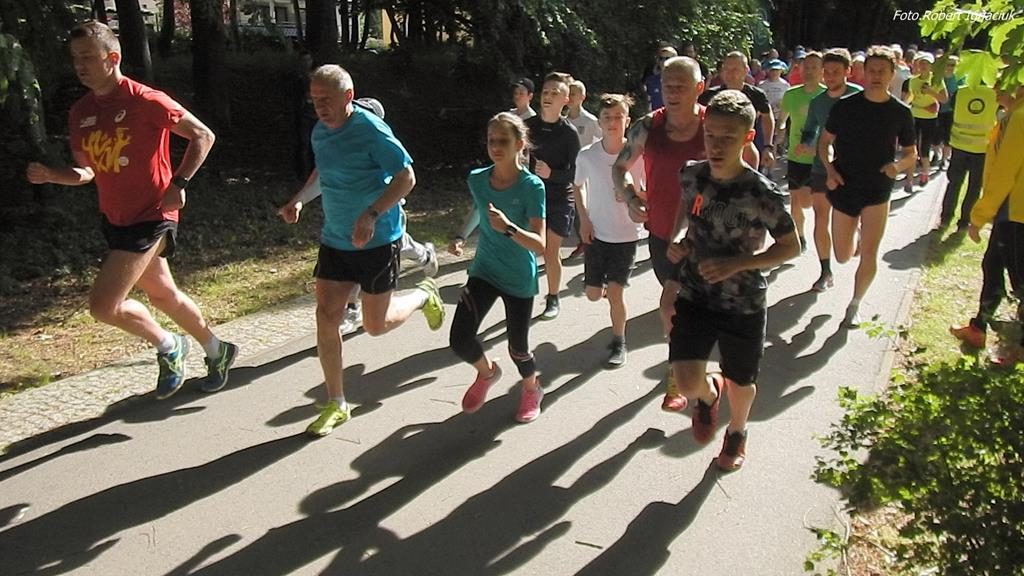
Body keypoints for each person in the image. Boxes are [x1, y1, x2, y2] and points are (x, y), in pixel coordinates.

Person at [25, 21, 238, 399]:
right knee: (163, 295)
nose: (80, 65)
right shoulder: (81, 112)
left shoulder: (145, 100)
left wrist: (179, 184)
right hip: (117, 218)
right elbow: (87, 172)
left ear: (113, 58)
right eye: (75, 58)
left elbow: (203, 135)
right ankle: (217, 349)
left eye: (88, 57)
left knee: (103, 305)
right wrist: (51, 175)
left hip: (153, 214)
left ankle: (169, 345)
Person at [277, 64, 445, 437]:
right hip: (336, 239)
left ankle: (422, 294)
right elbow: (324, 173)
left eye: (327, 99)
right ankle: (337, 402)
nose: (320, 107)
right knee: (326, 316)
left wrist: (371, 214)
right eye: (315, 100)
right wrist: (299, 199)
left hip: (378, 239)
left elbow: (406, 177)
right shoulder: (320, 131)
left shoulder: (370, 130)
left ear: (348, 96)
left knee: (374, 326)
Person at [665, 89, 800, 472]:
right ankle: (709, 395)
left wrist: (739, 263)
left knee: (741, 380)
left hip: (742, 302)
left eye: (728, 137)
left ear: (748, 137)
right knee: (685, 381)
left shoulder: (762, 193)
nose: (716, 145)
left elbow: (791, 247)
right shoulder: (692, 174)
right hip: (695, 292)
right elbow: (686, 208)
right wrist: (679, 237)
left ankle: (737, 432)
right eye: (711, 135)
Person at [612, 55, 707, 412]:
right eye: (668, 86)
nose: (673, 92)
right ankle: (692, 367)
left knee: (673, 306)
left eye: (682, 86)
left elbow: (747, 160)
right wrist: (630, 197)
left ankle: (678, 375)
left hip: (705, 236)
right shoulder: (647, 126)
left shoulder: (714, 124)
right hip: (661, 233)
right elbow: (620, 167)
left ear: (700, 88)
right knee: (681, 308)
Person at [447, 112, 547, 422]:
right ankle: (487, 372)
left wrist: (509, 228)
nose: (496, 147)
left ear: (520, 144)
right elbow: (480, 209)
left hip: (518, 277)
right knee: (460, 339)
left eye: (503, 140)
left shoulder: (532, 187)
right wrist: (461, 235)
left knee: (518, 349)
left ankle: (532, 388)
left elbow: (540, 244)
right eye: (492, 140)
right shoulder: (477, 179)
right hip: (485, 271)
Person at [817, 46, 917, 327]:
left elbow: (911, 154)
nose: (876, 76)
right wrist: (829, 169)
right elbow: (824, 143)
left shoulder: (900, 112)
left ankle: (855, 304)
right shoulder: (846, 106)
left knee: (870, 251)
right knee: (842, 255)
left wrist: (897, 167)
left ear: (892, 74)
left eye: (882, 71)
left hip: (878, 187)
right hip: (845, 183)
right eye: (871, 70)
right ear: (863, 73)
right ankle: (857, 237)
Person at [336, 98, 439, 336]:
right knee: (357, 254)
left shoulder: (380, 143)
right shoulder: (346, 142)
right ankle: (352, 308)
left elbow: (403, 177)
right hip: (357, 218)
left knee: (399, 246)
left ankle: (425, 256)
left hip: (386, 215)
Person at [953, 85, 1024, 364]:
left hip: (1017, 213)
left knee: (1020, 281)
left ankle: (1018, 347)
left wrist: (979, 215)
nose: (994, 88)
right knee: (992, 265)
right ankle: (978, 328)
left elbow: (1005, 171)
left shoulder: (1020, 117)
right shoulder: (1014, 113)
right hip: (1009, 210)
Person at [574, 94, 646, 367]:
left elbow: (651, 189)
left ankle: (619, 342)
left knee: (616, 294)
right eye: (607, 117)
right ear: (599, 122)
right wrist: (584, 220)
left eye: (618, 116)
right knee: (593, 294)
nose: (613, 122)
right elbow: (577, 187)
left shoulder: (638, 155)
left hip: (626, 235)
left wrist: (634, 196)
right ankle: (602, 288)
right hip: (597, 233)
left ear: (628, 121)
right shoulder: (588, 156)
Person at [798, 49, 861, 292]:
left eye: (836, 72)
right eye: (827, 72)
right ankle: (825, 271)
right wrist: (805, 143)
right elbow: (810, 128)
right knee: (820, 216)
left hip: (853, 167)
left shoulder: (859, 96)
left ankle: (854, 232)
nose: (831, 76)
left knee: (847, 214)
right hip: (822, 165)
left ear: (848, 71)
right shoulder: (818, 102)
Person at [525, 72, 581, 320]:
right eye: (546, 92)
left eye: (555, 93)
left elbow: (576, 172)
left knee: (550, 250)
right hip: (531, 196)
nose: (548, 96)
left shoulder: (568, 133)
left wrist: (552, 174)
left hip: (559, 197)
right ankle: (523, 296)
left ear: (565, 100)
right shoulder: (528, 127)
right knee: (528, 248)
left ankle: (553, 297)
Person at [939, 58, 998, 228]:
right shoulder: (994, 94)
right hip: (981, 147)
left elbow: (952, 109)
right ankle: (964, 222)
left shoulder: (961, 92)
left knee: (953, 184)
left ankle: (945, 218)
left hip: (959, 145)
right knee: (974, 187)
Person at [699, 51, 776, 173]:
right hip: (716, 152)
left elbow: (767, 117)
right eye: (726, 69)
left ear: (745, 70)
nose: (730, 73)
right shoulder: (709, 96)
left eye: (735, 69)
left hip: (746, 151)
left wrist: (768, 146)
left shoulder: (756, 95)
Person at [779, 51, 825, 254]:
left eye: (814, 67)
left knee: (807, 201)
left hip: (819, 158)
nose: (809, 71)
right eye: (806, 67)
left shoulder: (827, 96)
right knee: (795, 201)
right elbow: (782, 120)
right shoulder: (791, 94)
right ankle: (800, 237)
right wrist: (779, 134)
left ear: (822, 71)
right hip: (795, 156)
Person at [901, 52, 948, 188]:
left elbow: (944, 99)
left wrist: (931, 93)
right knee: (911, 146)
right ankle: (909, 180)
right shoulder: (912, 81)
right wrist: (904, 105)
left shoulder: (937, 80)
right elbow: (910, 97)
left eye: (926, 63)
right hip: (914, 116)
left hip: (930, 118)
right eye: (921, 63)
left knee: (925, 148)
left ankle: (924, 174)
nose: (923, 66)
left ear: (931, 65)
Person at [758, 58, 791, 159]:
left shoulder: (785, 85)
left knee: (778, 138)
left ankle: (777, 153)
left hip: (780, 115)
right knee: (767, 137)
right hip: (766, 115)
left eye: (777, 70)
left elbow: (788, 99)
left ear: (781, 71)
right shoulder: (762, 85)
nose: (774, 73)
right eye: (772, 70)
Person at [935, 55, 961, 171]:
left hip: (951, 111)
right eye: (948, 64)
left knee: (947, 137)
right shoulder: (938, 77)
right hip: (936, 109)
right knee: (936, 136)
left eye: (953, 65)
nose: (950, 67)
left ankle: (944, 160)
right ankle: (936, 155)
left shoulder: (959, 78)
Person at [566, 79, 602, 147]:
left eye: (573, 94)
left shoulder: (591, 120)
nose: (569, 97)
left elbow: (603, 141)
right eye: (568, 94)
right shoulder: (563, 121)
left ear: (583, 97)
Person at [643, 45, 678, 111]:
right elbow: (648, 103)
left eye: (667, 58)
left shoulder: (682, 81)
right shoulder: (651, 81)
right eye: (661, 58)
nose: (664, 61)